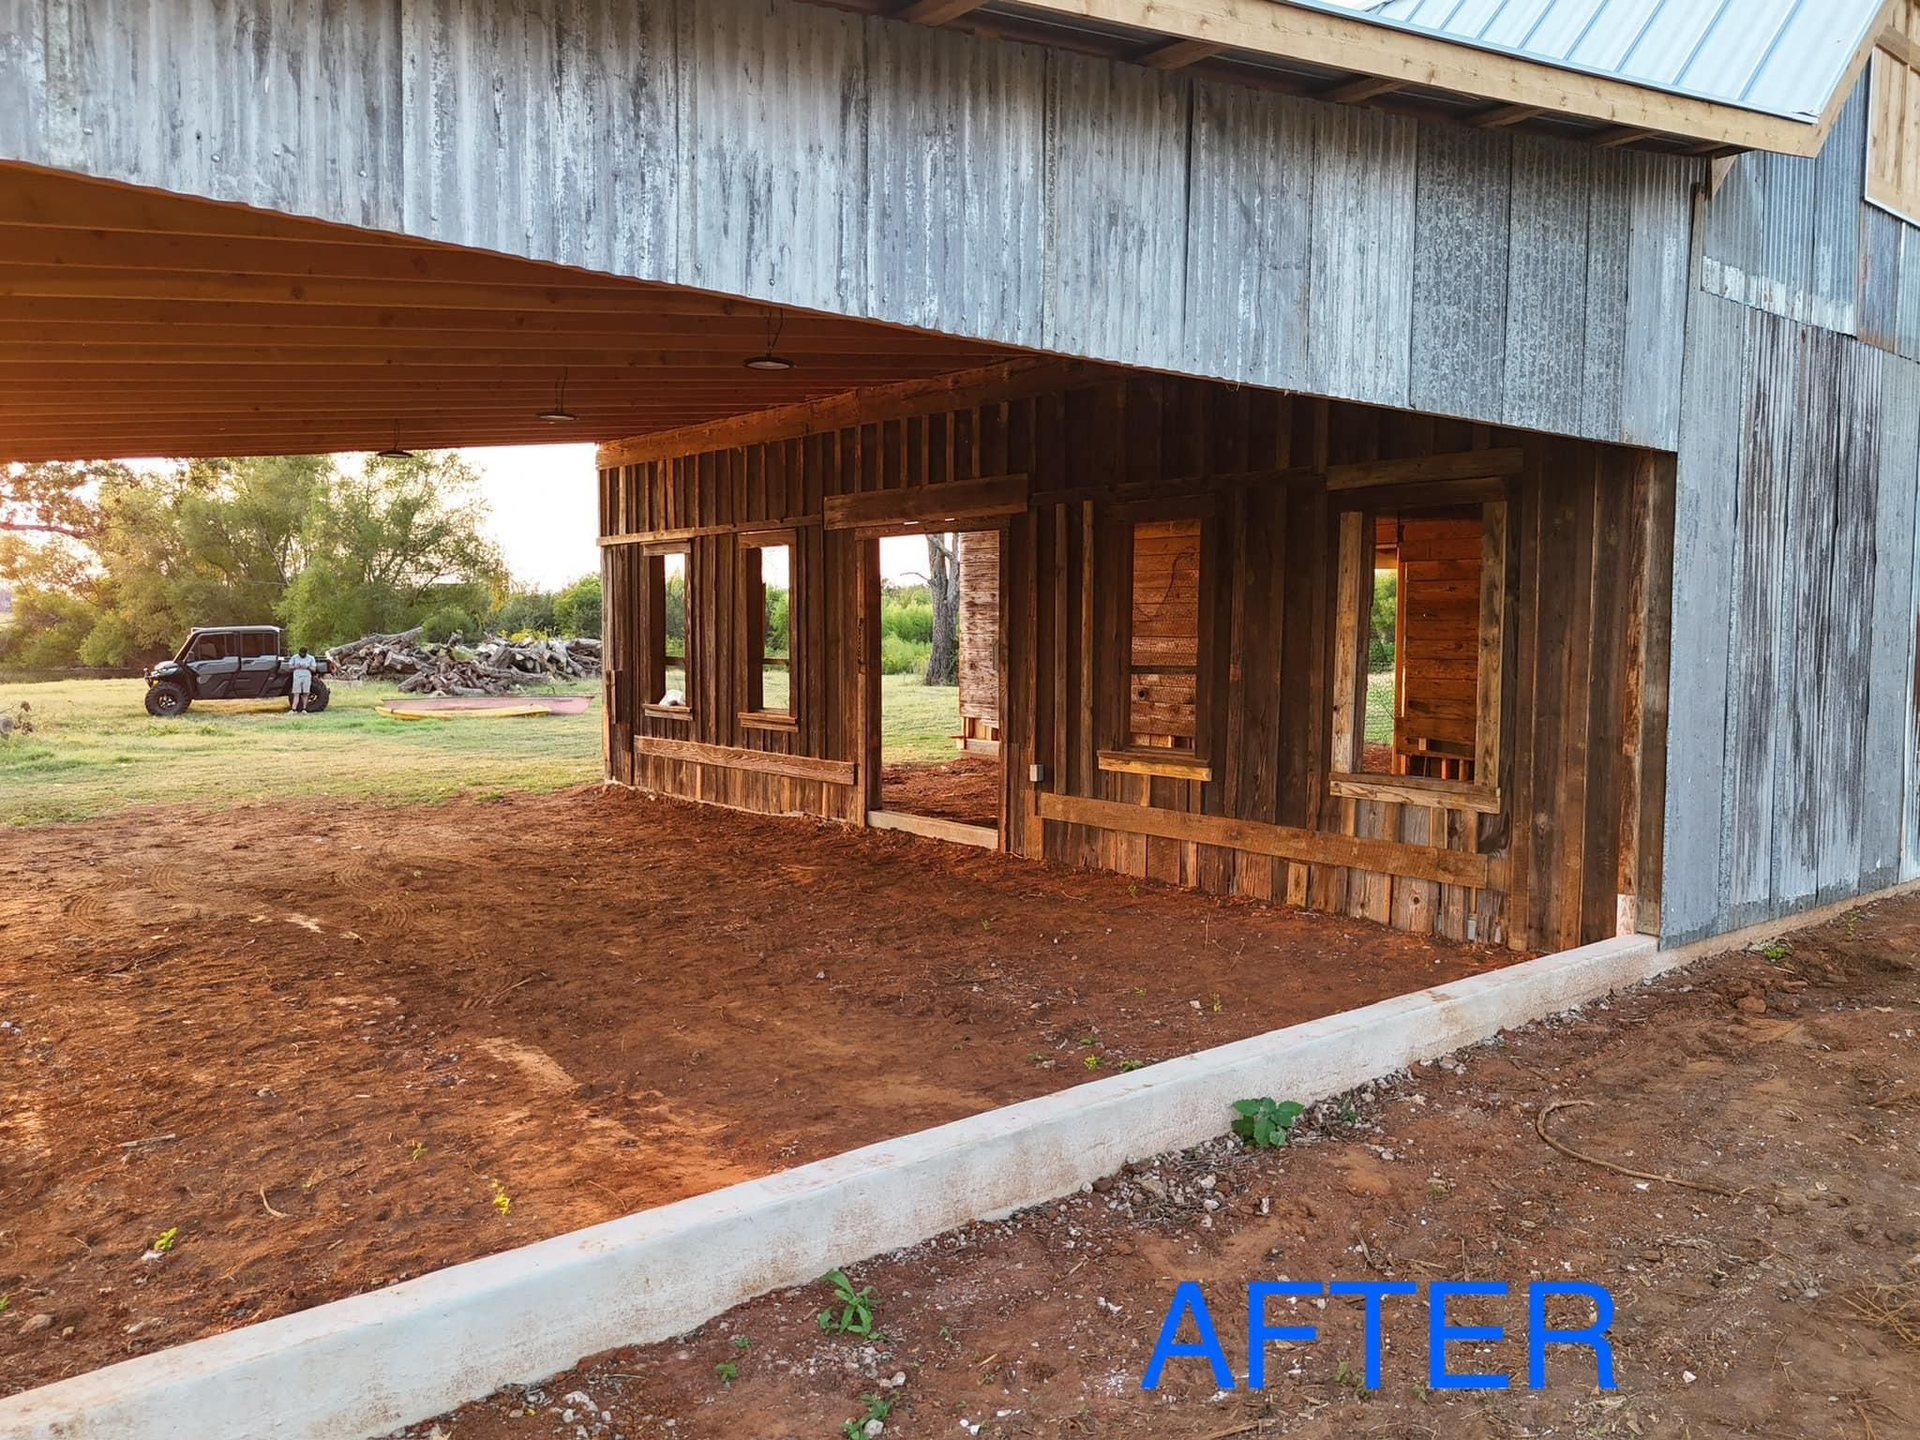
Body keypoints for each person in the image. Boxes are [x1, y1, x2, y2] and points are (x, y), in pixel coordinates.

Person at [288, 645, 319, 714]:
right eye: (301, 654)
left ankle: (304, 709)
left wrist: (307, 667)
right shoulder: (294, 657)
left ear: (306, 653)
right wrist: (295, 666)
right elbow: (290, 667)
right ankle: (293, 709)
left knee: (306, 693)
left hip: (306, 677)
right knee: (296, 693)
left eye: (303, 654)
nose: (302, 655)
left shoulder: (311, 658)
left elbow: (314, 669)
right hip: (297, 677)